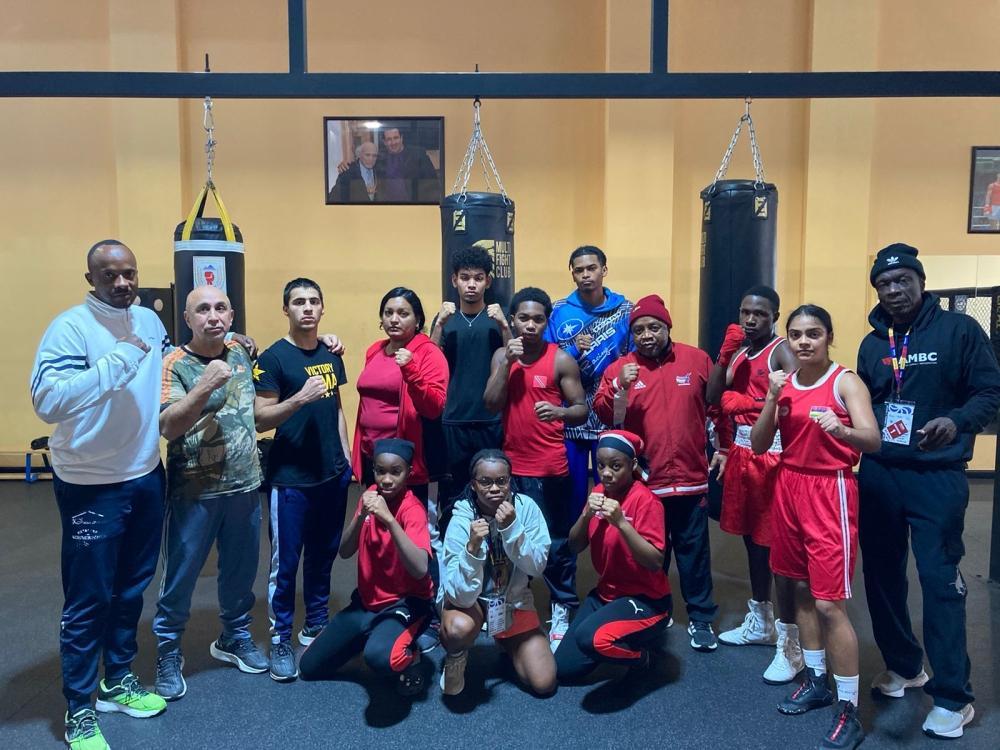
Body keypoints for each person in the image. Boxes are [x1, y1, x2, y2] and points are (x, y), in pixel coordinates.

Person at [857, 243, 1000, 740]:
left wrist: (957, 421)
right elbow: (866, 403)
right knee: (881, 575)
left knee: (939, 579)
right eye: (884, 283)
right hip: (880, 472)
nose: (894, 290)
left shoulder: (959, 331)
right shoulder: (872, 344)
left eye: (903, 280)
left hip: (936, 474)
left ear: (921, 281)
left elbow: (990, 391)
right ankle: (904, 665)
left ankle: (954, 696)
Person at [31, 240, 168, 750]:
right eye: (110, 275)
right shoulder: (70, 327)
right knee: (90, 598)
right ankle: (79, 708)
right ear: (91, 278)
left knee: (131, 589)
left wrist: (228, 339)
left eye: (129, 273)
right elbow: (48, 401)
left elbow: (168, 367)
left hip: (146, 472)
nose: (122, 283)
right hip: (90, 483)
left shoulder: (149, 321)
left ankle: (117, 679)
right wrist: (119, 358)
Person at [750, 304, 880, 750]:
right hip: (789, 485)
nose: (804, 342)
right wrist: (771, 398)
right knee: (799, 588)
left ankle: (849, 709)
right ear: (787, 340)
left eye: (814, 333)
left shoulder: (845, 382)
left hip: (831, 489)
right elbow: (760, 444)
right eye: (796, 335)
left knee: (829, 604)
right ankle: (816, 679)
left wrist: (840, 430)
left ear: (828, 337)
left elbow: (873, 439)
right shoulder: (784, 384)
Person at [593, 294, 727, 652]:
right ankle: (656, 610)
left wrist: (724, 447)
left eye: (654, 327)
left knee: (694, 552)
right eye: (639, 330)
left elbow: (716, 407)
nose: (647, 335)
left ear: (667, 327)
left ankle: (701, 618)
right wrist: (618, 386)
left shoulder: (696, 359)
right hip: (646, 482)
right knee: (651, 552)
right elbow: (604, 415)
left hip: (691, 477)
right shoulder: (620, 368)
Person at [153, 285, 267, 700]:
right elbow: (168, 426)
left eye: (221, 308)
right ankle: (168, 650)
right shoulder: (173, 363)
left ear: (232, 316)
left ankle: (234, 636)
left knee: (240, 570)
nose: (213, 316)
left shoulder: (240, 350)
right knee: (181, 575)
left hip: (245, 485)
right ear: (187, 319)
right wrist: (204, 385)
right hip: (195, 490)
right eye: (203, 309)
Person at [252, 278, 352, 682]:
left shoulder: (331, 353)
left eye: (313, 301)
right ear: (286, 310)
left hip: (332, 474)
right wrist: (298, 399)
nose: (307, 308)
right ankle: (279, 638)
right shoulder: (273, 358)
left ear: (322, 308)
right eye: (298, 302)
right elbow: (261, 418)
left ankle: (315, 623)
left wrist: (346, 458)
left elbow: (338, 407)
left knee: (323, 555)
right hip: (291, 478)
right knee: (286, 563)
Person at [705, 286, 803, 684]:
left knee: (777, 549)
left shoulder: (782, 351)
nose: (749, 319)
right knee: (752, 543)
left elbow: (796, 402)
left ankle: (791, 643)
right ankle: (761, 621)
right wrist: (723, 355)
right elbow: (713, 395)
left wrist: (747, 403)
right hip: (743, 454)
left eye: (759, 313)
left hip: (774, 456)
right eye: (745, 311)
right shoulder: (741, 352)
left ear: (775, 316)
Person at [484, 287, 588, 651]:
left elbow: (581, 408)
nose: (530, 325)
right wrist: (507, 364)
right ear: (513, 320)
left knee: (557, 541)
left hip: (550, 467)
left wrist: (560, 412)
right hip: (512, 469)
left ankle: (562, 605)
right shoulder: (502, 355)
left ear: (547, 322)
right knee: (510, 538)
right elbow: (491, 403)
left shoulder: (561, 359)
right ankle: (517, 602)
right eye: (524, 318)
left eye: (538, 319)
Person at [298, 439, 433, 695]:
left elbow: (420, 569)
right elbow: (345, 551)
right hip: (365, 604)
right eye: (381, 471)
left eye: (395, 472)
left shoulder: (412, 510)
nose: (387, 479)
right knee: (309, 666)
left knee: (380, 659)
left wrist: (389, 520)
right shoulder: (370, 496)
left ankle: (411, 655)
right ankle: (369, 636)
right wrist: (361, 516)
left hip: (405, 604)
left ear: (409, 472)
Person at [555, 430, 673, 682]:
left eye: (615, 466)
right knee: (563, 669)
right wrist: (586, 515)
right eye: (601, 465)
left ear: (632, 465)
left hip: (646, 599)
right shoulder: (599, 492)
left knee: (592, 639)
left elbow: (655, 562)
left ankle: (642, 658)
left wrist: (621, 523)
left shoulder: (646, 501)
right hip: (605, 594)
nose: (606, 473)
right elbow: (574, 546)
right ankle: (613, 635)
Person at [438, 449, 555, 696]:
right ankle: (456, 656)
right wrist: (471, 549)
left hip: (512, 601)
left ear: (510, 481)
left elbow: (537, 567)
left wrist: (512, 528)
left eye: (501, 481)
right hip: (471, 604)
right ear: (473, 484)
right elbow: (460, 596)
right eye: (485, 482)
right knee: (458, 628)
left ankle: (507, 640)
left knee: (544, 683)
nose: (494, 489)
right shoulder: (461, 518)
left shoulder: (526, 508)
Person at [545, 245, 633, 519]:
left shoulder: (625, 310)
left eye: (591, 268)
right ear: (572, 274)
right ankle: (574, 540)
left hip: (610, 411)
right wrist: (573, 350)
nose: (586, 275)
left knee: (614, 486)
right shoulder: (558, 310)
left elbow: (634, 357)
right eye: (579, 270)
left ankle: (612, 538)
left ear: (603, 270)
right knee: (572, 489)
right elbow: (546, 359)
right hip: (571, 410)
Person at [430, 247, 510, 526]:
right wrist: (439, 325)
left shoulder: (498, 319)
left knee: (492, 491)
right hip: (453, 420)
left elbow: (514, 358)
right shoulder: (445, 320)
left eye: (478, 278)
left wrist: (505, 326)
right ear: (454, 280)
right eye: (465, 278)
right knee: (452, 493)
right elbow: (430, 362)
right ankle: (454, 546)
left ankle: (493, 545)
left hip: (491, 420)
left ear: (488, 281)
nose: (471, 284)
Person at [352, 287, 449, 501]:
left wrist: (411, 370)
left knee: (411, 519)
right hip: (372, 456)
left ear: (417, 320)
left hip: (405, 462)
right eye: (388, 313)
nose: (394, 319)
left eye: (403, 314)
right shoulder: (375, 350)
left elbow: (434, 408)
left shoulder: (428, 352)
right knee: (375, 518)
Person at [378, 126, 438, 202]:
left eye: (396, 138)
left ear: (401, 138)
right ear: (384, 142)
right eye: (389, 139)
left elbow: (432, 183)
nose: (393, 142)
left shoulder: (418, 154)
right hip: (386, 206)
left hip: (413, 205)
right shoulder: (380, 158)